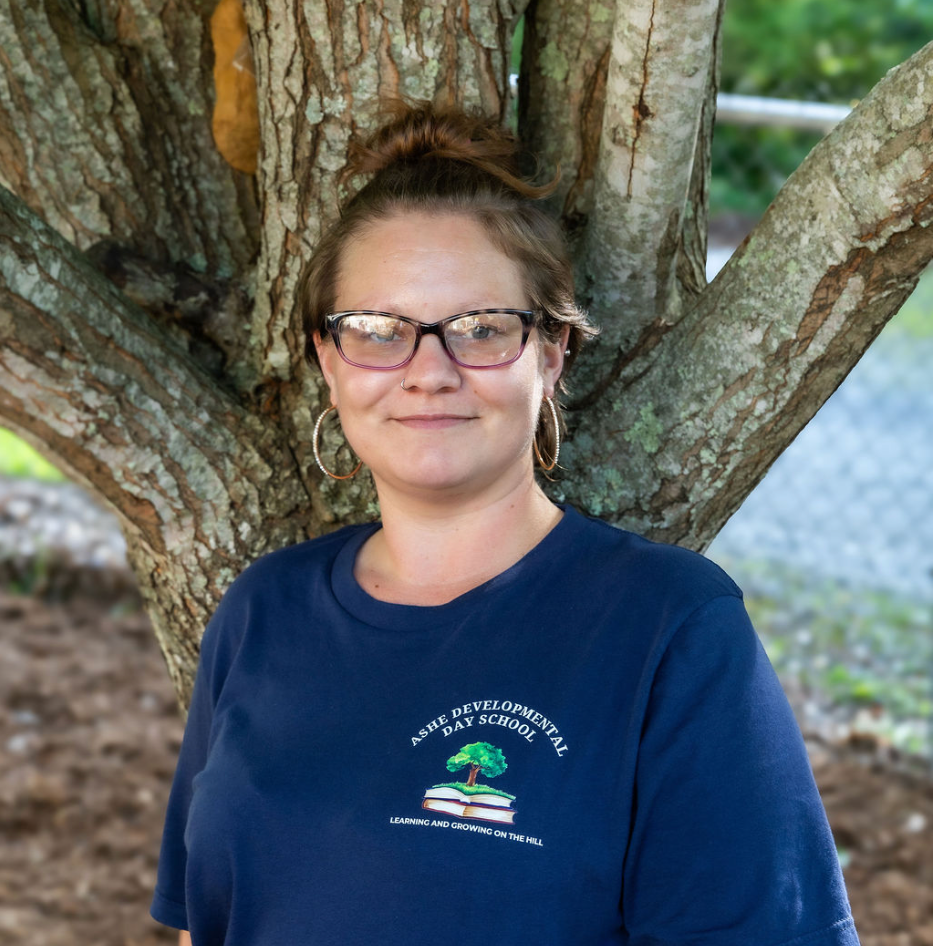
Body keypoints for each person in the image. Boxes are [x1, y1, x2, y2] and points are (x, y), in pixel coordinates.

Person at [151, 101, 859, 946]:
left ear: (551, 353)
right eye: (379, 332)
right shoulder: (262, 609)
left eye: (482, 330)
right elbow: (204, 924)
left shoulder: (668, 628)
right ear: (327, 362)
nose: (429, 374)